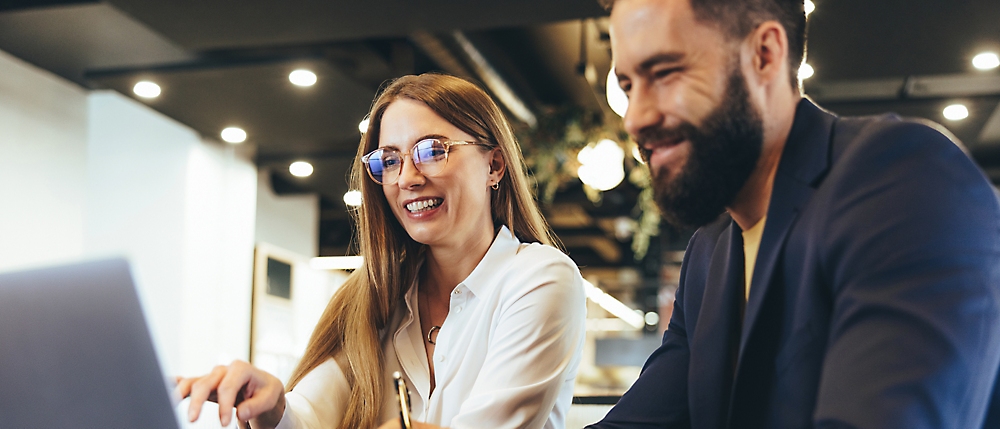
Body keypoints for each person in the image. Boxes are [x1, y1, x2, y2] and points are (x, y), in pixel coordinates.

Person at [588, 0, 1000, 428]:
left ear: (763, 54)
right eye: (628, 86)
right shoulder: (708, 251)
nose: (635, 118)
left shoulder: (904, 179)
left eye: (665, 72)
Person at [175, 73, 587, 429]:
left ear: (494, 165)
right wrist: (273, 405)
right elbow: (310, 412)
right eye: (388, 160)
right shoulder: (374, 297)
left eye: (432, 150)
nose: (407, 177)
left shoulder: (541, 279)